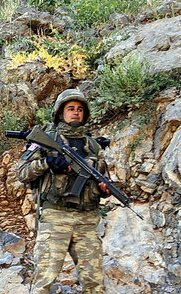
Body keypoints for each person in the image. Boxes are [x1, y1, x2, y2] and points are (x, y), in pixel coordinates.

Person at [17, 89, 111, 294]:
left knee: (95, 283)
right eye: (70, 109)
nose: (76, 113)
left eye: (80, 109)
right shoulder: (44, 139)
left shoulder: (93, 145)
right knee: (44, 280)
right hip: (55, 216)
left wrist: (105, 190)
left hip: (87, 220)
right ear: (60, 113)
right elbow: (22, 173)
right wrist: (47, 163)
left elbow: (102, 178)